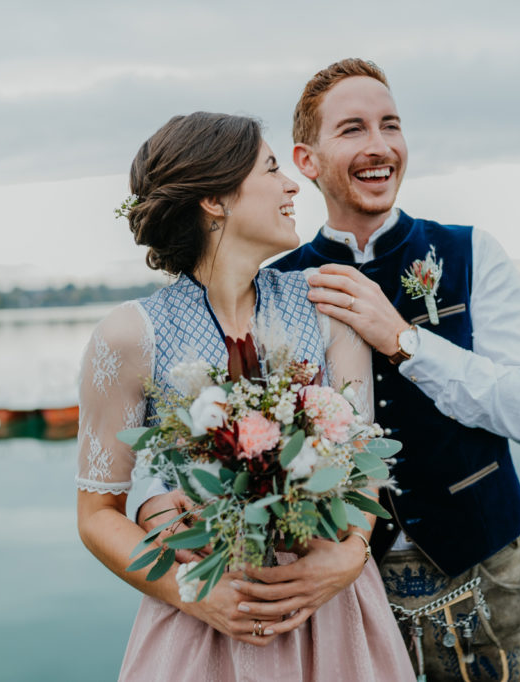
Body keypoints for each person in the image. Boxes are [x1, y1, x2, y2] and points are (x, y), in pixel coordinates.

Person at [76, 112, 415, 681]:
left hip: (331, 609)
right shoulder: (129, 336)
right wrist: (190, 591)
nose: (292, 187)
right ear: (215, 200)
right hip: (205, 619)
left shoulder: (328, 308)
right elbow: (96, 516)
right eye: (273, 168)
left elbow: (361, 462)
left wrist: (351, 552)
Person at [263, 59, 520, 681]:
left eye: (391, 125)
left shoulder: (472, 252)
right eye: (353, 129)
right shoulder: (274, 286)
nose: (380, 146)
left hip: (485, 579)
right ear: (307, 160)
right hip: (341, 595)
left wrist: (405, 342)